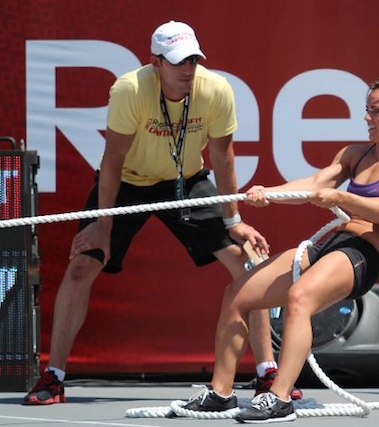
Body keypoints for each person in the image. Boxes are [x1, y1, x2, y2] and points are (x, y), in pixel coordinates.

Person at [23, 20, 295, 405]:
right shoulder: (129, 90)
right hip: (128, 182)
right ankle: (53, 377)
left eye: (194, 60)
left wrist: (233, 219)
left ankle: (268, 373)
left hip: (185, 181)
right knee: (82, 265)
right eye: (179, 61)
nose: (188, 69)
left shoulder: (215, 90)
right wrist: (104, 226)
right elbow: (113, 161)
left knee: (246, 262)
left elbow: (222, 156)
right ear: (156, 63)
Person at [181, 78, 379, 423]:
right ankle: (221, 393)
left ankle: (279, 398)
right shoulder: (355, 154)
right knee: (237, 295)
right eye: (367, 111)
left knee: (299, 298)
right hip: (332, 243)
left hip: (364, 254)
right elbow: (316, 184)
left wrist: (342, 198)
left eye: (375, 111)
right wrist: (268, 192)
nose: (367, 118)